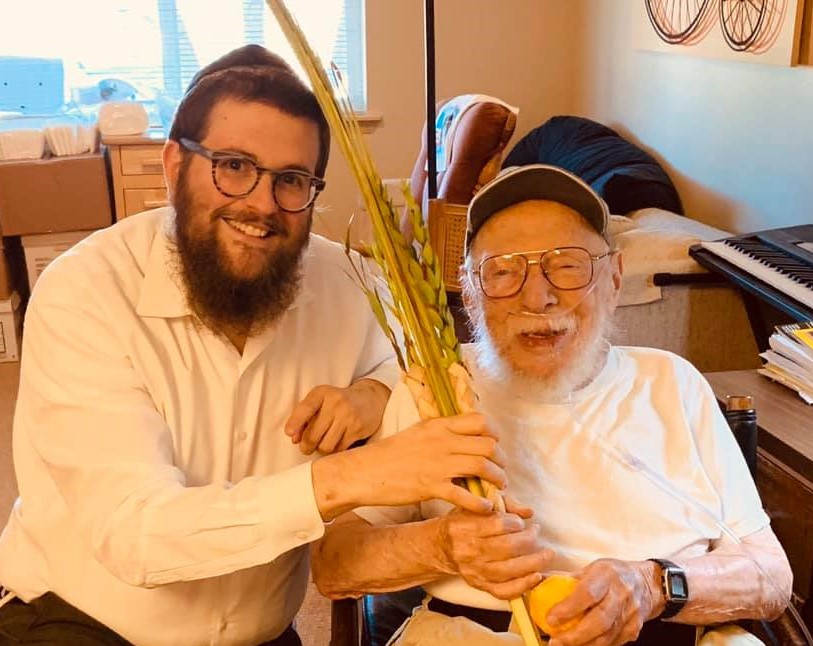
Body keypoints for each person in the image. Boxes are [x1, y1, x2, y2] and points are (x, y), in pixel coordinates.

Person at [0, 45, 508, 646]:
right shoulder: (84, 293)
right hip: (79, 620)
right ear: (174, 166)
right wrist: (354, 477)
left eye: (292, 180)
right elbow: (136, 534)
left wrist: (372, 393)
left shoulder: (347, 281)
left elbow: (421, 357)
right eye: (234, 166)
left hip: (261, 632)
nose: (263, 204)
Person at [311, 164, 793, 646]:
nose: (537, 297)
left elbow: (771, 576)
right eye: (503, 272)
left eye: (567, 266)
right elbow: (335, 564)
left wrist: (652, 586)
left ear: (614, 279)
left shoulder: (672, 382)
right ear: (472, 295)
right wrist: (440, 546)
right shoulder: (437, 385)